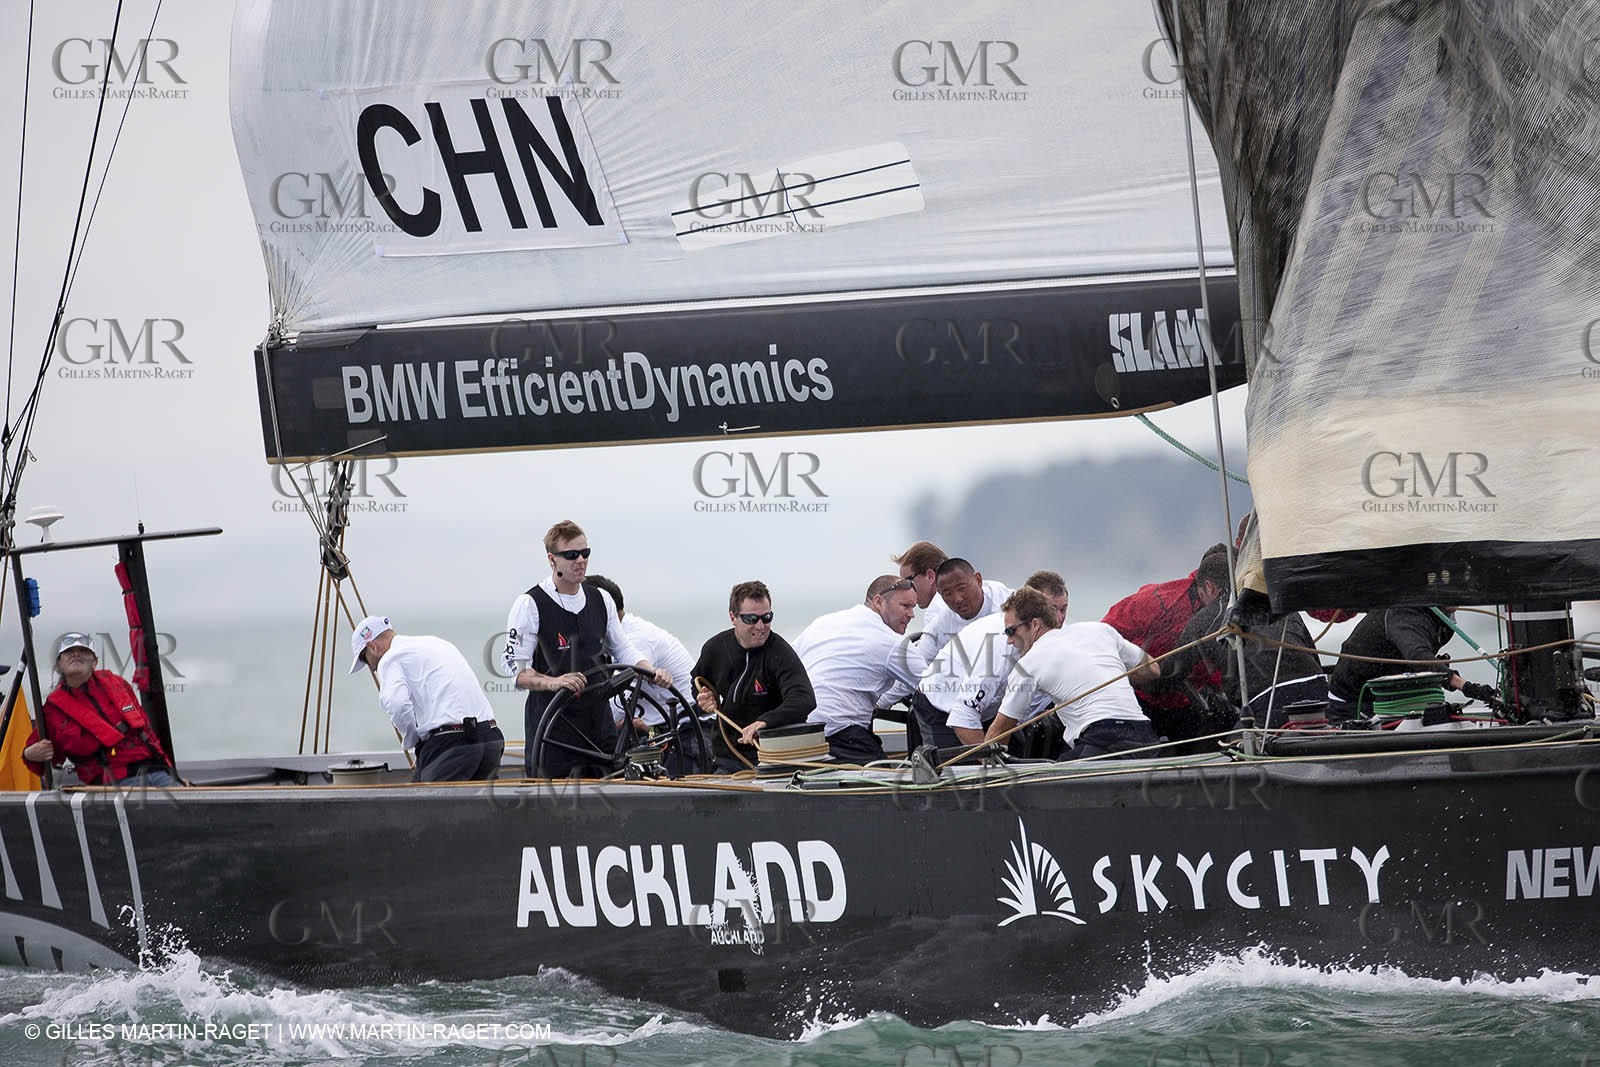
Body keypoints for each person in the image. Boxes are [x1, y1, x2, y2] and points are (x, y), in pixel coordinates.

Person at [503, 520, 674, 778]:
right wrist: (554, 682)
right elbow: (515, 670)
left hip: (599, 725)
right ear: (552, 559)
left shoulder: (601, 599)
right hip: (553, 728)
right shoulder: (529, 604)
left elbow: (623, 649)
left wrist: (652, 672)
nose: (581, 560)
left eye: (585, 553)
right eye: (572, 555)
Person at [985, 587, 1163, 760]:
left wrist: (985, 766)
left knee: (1049, 778)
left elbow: (998, 733)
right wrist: (1110, 675)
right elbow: (1152, 669)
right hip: (1144, 735)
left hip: (1102, 738)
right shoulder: (1099, 629)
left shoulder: (1028, 663)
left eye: (1011, 631)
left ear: (1035, 624)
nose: (1009, 641)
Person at [1163, 549, 1330, 729]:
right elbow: (1310, 651)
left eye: (1201, 593)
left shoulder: (1203, 619)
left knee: (1230, 743)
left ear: (1209, 587)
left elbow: (1170, 674)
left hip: (1267, 696)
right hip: (1316, 684)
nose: (1201, 601)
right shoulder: (1273, 600)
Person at [913, 570, 1068, 749]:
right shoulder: (1001, 645)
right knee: (972, 765)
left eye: (1063, 609)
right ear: (1033, 615)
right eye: (1051, 610)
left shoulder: (1054, 633)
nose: (1058, 619)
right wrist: (992, 761)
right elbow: (962, 716)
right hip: (942, 707)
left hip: (988, 708)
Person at [350, 615, 506, 782]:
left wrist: (413, 741)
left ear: (372, 647)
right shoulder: (437, 643)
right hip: (491, 737)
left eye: (365, 660)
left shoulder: (390, 657)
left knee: (423, 799)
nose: (371, 668)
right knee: (478, 800)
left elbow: (397, 704)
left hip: (452, 743)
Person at [1102, 544, 1229, 742]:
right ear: (1209, 586)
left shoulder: (1228, 610)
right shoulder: (1159, 601)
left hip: (1187, 702)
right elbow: (1103, 633)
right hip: (1140, 698)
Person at [691, 580, 816, 772]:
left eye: (766, 618)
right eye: (751, 619)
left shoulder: (780, 652)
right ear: (733, 617)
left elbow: (804, 699)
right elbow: (697, 684)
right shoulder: (715, 648)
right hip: (728, 756)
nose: (760, 626)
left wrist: (764, 722)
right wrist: (705, 700)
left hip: (773, 756)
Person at [27, 632, 180, 787]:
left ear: (95, 663)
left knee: (183, 799)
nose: (76, 655)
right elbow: (39, 756)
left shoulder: (118, 684)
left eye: (84, 651)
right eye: (69, 652)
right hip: (113, 782)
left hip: (155, 771)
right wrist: (30, 754)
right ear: (59, 664)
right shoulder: (52, 710)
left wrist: (170, 771)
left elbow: (147, 732)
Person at [798, 576, 919, 764]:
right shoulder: (890, 641)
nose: (912, 615)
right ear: (878, 601)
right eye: (905, 606)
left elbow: (790, 666)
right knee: (882, 775)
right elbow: (933, 686)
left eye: (913, 607)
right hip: (841, 734)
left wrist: (884, 700)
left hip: (799, 731)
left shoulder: (822, 623)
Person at [584, 575, 695, 733]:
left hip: (687, 728)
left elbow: (616, 706)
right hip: (662, 722)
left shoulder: (638, 639)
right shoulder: (623, 630)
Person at [1327, 607, 1466, 722]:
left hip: (1392, 694)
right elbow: (1418, 656)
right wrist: (1465, 686)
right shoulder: (1404, 613)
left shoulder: (1445, 618)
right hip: (1352, 703)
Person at [915, 558, 1014, 660]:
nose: (957, 599)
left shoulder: (1010, 603)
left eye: (962, 588)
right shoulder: (941, 624)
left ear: (978, 580)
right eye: (948, 594)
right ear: (940, 594)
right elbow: (919, 661)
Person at [892, 540, 949, 615]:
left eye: (908, 582)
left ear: (930, 576)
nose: (907, 591)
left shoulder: (935, 611)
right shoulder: (956, 606)